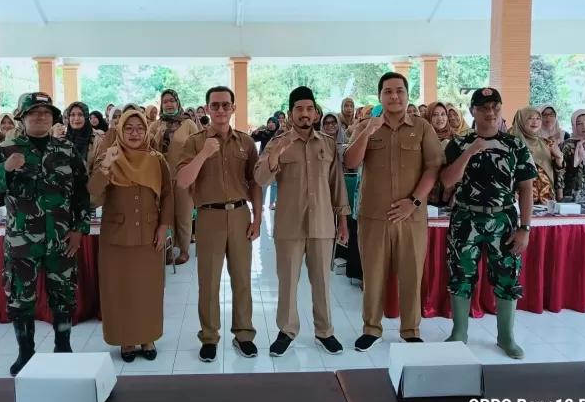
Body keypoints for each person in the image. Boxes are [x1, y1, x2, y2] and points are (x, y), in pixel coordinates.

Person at [0, 92, 91, 376]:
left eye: (46, 112)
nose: (40, 116)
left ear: (53, 118)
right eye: (34, 112)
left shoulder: (66, 150)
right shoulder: (6, 149)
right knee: (20, 298)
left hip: (62, 240)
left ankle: (63, 348)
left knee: (64, 296)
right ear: (22, 117)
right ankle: (25, 352)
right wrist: (4, 169)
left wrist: (79, 229)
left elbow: (81, 193)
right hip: (22, 242)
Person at [344, 73, 444, 349]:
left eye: (399, 91)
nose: (394, 96)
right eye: (388, 92)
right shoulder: (366, 125)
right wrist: (367, 131)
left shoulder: (422, 127)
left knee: (411, 274)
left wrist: (413, 201)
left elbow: (433, 167)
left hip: (411, 216)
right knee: (373, 274)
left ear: (407, 94)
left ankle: (410, 329)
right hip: (373, 216)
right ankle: (371, 328)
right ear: (380, 97)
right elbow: (351, 161)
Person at [441, 87, 536, 359]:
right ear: (472, 111)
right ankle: (459, 332)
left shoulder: (514, 145)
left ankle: (506, 337)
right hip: (466, 217)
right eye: (483, 107)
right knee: (461, 274)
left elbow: (526, 189)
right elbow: (447, 181)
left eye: (495, 106)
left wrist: (525, 228)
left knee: (507, 276)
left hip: (503, 218)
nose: (490, 111)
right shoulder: (459, 143)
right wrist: (471, 150)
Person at [255, 87, 350, 357]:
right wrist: (275, 155)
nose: (305, 114)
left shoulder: (328, 144)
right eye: (299, 109)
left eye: (309, 109)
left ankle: (325, 331)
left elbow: (337, 186)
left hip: (322, 224)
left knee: (322, 281)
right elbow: (261, 180)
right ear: (291, 113)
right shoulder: (277, 143)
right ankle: (286, 331)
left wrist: (342, 222)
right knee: (287, 282)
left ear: (316, 112)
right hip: (289, 225)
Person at [176, 86, 262, 363]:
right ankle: (210, 337)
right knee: (209, 281)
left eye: (226, 105)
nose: (221, 110)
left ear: (233, 109)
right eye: (215, 106)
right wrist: (203, 154)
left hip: (239, 214)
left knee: (242, 279)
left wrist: (258, 218)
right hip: (209, 216)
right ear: (207, 109)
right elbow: (182, 181)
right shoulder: (194, 142)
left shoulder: (246, 143)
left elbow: (255, 183)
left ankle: (244, 334)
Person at [88, 110, 174, 362]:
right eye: (129, 128)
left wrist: (163, 227)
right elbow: (93, 196)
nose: (134, 133)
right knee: (120, 290)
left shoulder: (156, 159)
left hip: (149, 237)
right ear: (120, 130)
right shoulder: (109, 156)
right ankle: (125, 341)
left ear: (146, 131)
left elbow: (168, 195)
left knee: (148, 290)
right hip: (116, 237)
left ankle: (147, 338)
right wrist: (106, 165)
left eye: (139, 128)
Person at [148, 90, 200, 265]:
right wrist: (158, 134)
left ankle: (184, 250)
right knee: (165, 215)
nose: (169, 104)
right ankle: (168, 250)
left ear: (177, 103)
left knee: (184, 213)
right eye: (165, 102)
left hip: (184, 177)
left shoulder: (188, 124)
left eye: (172, 101)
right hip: (161, 178)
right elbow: (147, 148)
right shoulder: (156, 125)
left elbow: (198, 149)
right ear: (161, 105)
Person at [509, 107, 564, 204]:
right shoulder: (511, 144)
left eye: (538, 118)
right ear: (521, 120)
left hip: (546, 200)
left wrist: (559, 159)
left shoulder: (547, 143)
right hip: (520, 200)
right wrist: (512, 194)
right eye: (530, 118)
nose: (535, 122)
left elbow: (559, 172)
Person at [424, 102, 455, 206]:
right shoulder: (422, 138)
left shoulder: (455, 138)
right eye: (435, 114)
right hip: (426, 192)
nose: (440, 118)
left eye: (443, 114)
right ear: (428, 117)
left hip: (450, 194)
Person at [65, 102, 105, 176]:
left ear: (86, 117)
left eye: (80, 114)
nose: (76, 118)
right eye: (72, 115)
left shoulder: (97, 139)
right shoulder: (63, 138)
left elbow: (99, 170)